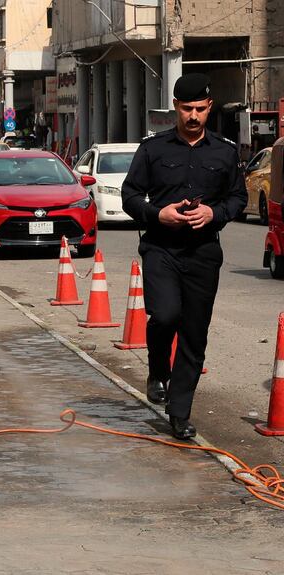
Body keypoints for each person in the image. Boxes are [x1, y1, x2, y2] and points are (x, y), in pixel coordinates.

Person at [121, 73, 247, 440]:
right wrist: (157, 214)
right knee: (165, 315)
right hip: (161, 247)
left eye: (200, 109)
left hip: (204, 253)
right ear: (175, 107)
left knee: (194, 334)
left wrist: (214, 214)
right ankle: (157, 368)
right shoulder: (153, 149)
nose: (194, 116)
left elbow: (237, 198)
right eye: (187, 109)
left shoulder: (224, 152)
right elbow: (130, 195)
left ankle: (179, 413)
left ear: (209, 108)